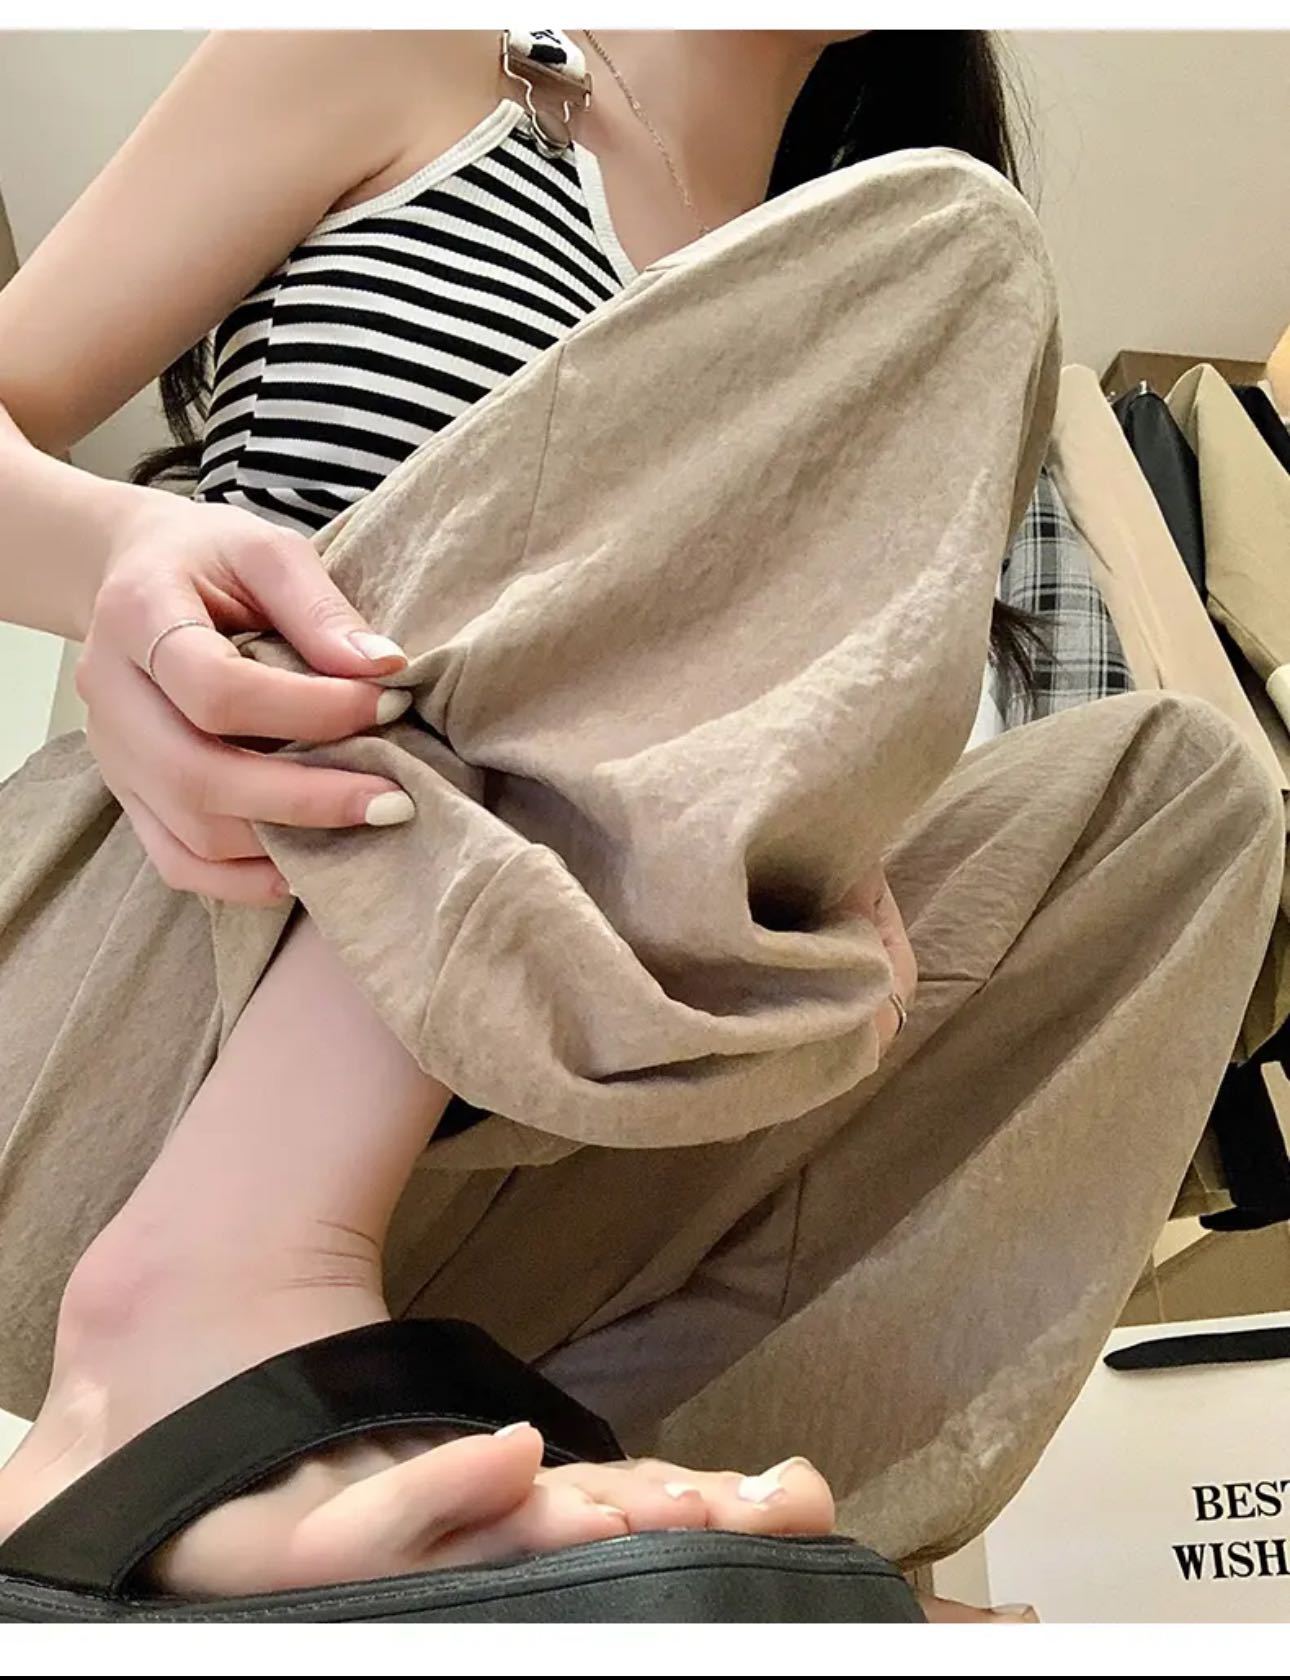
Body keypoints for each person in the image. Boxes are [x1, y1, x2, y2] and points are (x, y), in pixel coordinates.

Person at [0, 28, 1279, 1618]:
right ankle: (207, 1283)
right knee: (946, 247)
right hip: (157, 1016)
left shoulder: (864, 276)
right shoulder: (412, 54)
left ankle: (625, 1528)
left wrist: (813, 871)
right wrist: (124, 556)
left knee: (1184, 797)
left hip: (503, 1211)